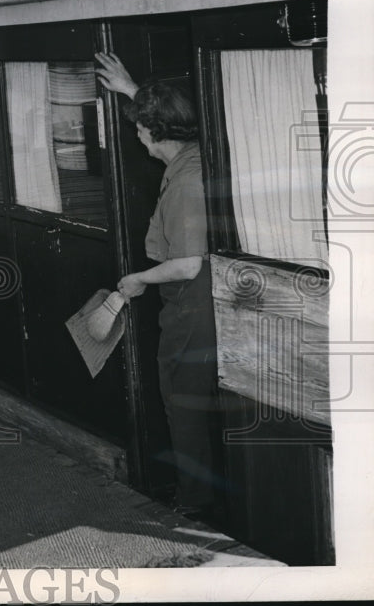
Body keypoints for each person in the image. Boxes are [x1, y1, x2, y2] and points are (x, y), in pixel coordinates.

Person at [95, 50, 220, 519]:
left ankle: (195, 504)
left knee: (182, 398)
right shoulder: (196, 149)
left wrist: (137, 279)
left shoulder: (187, 180)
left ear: (152, 133)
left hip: (192, 299)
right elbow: (174, 118)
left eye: (141, 126)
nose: (138, 133)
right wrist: (133, 91)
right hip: (195, 296)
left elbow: (187, 263)